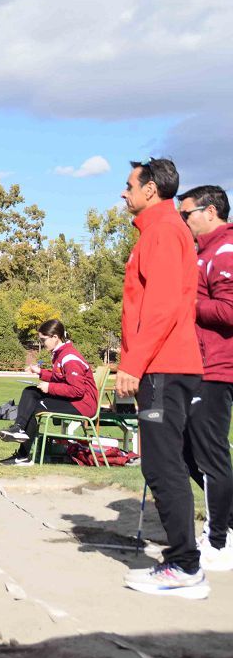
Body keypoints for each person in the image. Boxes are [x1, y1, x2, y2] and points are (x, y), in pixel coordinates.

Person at [116, 158, 207, 599]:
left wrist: (133, 363)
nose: (123, 192)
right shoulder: (157, 232)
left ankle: (186, 566)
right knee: (167, 462)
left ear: (150, 189)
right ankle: (186, 560)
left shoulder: (165, 232)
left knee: (160, 463)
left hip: (164, 368)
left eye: (129, 185)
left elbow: (164, 307)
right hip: (165, 366)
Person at [178, 184, 233, 571]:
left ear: (209, 212)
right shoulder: (204, 252)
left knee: (211, 454)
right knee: (185, 450)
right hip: (200, 365)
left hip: (218, 367)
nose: (184, 220)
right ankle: (226, 527)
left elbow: (230, 310)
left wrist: (188, 302)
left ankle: (218, 542)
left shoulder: (226, 250)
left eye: (187, 213)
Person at [0, 319, 98, 466]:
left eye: (43, 339)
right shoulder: (60, 353)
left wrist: (50, 387)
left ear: (55, 337)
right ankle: (18, 430)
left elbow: (77, 390)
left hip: (82, 405)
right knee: (30, 392)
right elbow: (59, 377)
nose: (42, 343)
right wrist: (40, 372)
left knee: (32, 406)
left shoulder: (69, 358)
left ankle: (23, 455)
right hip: (75, 401)